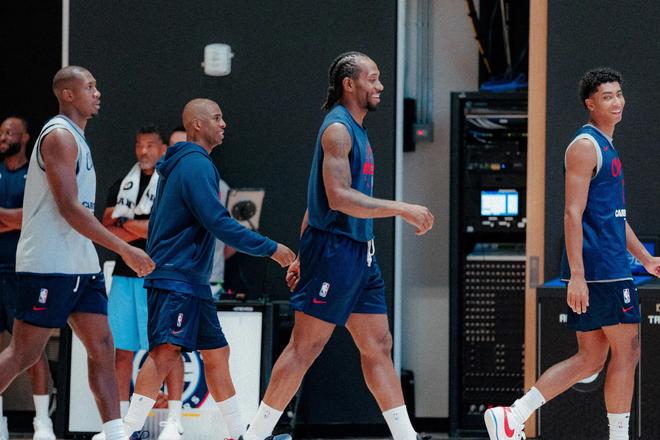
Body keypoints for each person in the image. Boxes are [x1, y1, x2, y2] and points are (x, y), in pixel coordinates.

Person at [245, 51, 434, 440]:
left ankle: (406, 437)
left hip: (360, 254)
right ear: (350, 84)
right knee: (304, 348)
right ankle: (255, 436)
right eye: (372, 78)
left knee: (378, 345)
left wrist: (301, 255)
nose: (380, 86)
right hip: (334, 252)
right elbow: (338, 198)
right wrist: (402, 208)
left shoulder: (357, 129)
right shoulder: (338, 130)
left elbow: (314, 201)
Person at [484, 68, 660, 440]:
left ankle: (513, 415)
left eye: (619, 94)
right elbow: (571, 213)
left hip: (607, 266)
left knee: (591, 358)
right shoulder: (584, 146)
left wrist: (646, 259)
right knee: (627, 350)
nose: (617, 102)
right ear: (590, 104)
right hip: (601, 269)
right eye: (607, 97)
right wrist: (577, 275)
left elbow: (614, 217)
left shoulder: (606, 145)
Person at [121, 98, 295, 440]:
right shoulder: (195, 164)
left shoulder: (186, 164)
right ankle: (125, 433)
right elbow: (218, 222)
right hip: (177, 277)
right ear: (198, 125)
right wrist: (271, 249)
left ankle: (238, 434)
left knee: (217, 353)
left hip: (192, 280)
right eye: (217, 118)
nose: (223, 123)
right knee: (165, 352)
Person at [0, 66, 155, 440]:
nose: (97, 92)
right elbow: (69, 208)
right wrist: (124, 249)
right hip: (48, 263)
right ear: (68, 94)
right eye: (90, 87)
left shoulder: (78, 137)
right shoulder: (59, 136)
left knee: (102, 346)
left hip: (81, 263)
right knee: (24, 354)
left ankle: (114, 434)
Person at [97, 125, 184, 440]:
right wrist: (135, 227)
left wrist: (126, 223)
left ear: (162, 149)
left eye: (150, 145)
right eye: (139, 145)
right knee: (121, 350)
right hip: (123, 276)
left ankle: (174, 421)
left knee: (165, 349)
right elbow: (106, 228)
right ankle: (120, 424)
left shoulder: (170, 184)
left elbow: (158, 229)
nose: (143, 151)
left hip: (157, 276)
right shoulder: (121, 185)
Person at [0, 117, 55, 440]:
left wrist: (11, 219)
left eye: (9, 132)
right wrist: (13, 219)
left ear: (25, 137)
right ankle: (0, 420)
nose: (3, 137)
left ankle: (43, 422)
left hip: (22, 271)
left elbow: (31, 219)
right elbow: (18, 219)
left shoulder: (33, 175)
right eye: (1, 132)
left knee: (32, 349)